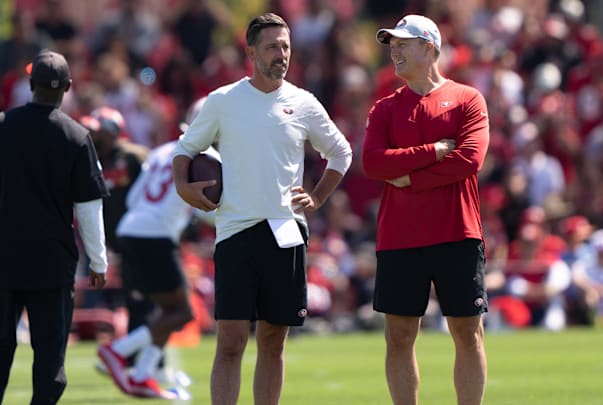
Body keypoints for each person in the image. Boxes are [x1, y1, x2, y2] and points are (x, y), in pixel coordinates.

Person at [169, 13, 352, 404]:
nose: (281, 53)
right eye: (272, 46)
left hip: (286, 230)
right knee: (231, 341)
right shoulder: (223, 101)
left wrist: (317, 197)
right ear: (251, 52)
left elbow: (340, 152)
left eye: (285, 46)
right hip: (235, 232)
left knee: (273, 341)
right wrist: (184, 187)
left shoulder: (303, 102)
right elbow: (185, 148)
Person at [363, 15, 491, 405]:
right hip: (400, 236)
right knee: (399, 336)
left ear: (430, 47)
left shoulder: (468, 98)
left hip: (457, 232)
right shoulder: (384, 108)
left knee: (468, 332)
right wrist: (433, 151)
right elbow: (374, 164)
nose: (394, 50)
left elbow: (469, 159)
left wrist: (411, 177)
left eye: (404, 42)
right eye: (392, 43)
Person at [0, 50, 109, 404]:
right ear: (69, 87)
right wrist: (99, 261)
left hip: (4, 260)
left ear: (30, 85)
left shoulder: (4, 126)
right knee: (49, 362)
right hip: (51, 264)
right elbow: (89, 207)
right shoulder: (76, 136)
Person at [96, 98, 213, 399]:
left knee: (167, 309)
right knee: (183, 312)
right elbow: (207, 209)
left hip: (131, 229)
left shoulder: (163, 151)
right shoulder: (207, 159)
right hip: (155, 235)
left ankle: (143, 373)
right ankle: (117, 351)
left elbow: (135, 197)